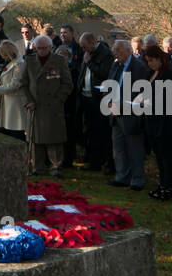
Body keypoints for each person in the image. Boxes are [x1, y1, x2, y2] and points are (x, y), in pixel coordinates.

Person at [24, 34, 72, 175]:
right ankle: (37, 167)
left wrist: (59, 100)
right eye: (39, 48)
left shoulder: (59, 60)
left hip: (53, 105)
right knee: (36, 138)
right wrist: (29, 101)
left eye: (45, 48)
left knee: (54, 137)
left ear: (50, 47)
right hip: (36, 105)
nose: (42, 51)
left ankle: (56, 166)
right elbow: (23, 84)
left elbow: (67, 84)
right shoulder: (29, 61)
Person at [142, 43, 172, 200]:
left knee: (166, 156)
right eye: (148, 60)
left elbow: (169, 99)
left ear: (160, 59)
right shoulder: (150, 74)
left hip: (164, 121)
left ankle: (168, 187)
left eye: (152, 60)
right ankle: (162, 185)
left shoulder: (168, 75)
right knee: (159, 156)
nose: (150, 63)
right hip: (152, 120)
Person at [107, 39, 149, 191]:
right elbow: (111, 83)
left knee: (134, 148)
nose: (115, 53)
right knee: (118, 147)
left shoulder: (138, 67)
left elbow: (140, 92)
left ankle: (137, 179)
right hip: (115, 112)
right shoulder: (116, 65)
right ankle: (122, 176)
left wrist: (122, 105)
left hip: (131, 114)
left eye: (118, 50)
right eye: (114, 50)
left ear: (127, 51)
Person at [77, 32, 115, 171]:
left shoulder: (105, 54)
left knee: (102, 132)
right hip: (86, 96)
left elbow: (104, 74)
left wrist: (89, 62)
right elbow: (82, 73)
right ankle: (93, 160)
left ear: (93, 42)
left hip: (99, 98)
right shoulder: (87, 54)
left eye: (84, 46)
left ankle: (104, 161)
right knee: (89, 131)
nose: (83, 49)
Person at [56, 24, 83, 166]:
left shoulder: (78, 51)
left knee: (70, 131)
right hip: (57, 104)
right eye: (61, 32)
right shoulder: (54, 69)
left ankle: (68, 158)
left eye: (65, 32)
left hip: (71, 102)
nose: (63, 35)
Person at [0, 40, 29, 138]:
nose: (2, 57)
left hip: (16, 103)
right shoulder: (9, 63)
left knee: (17, 132)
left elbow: (15, 85)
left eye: (4, 54)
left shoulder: (19, 64)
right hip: (8, 101)